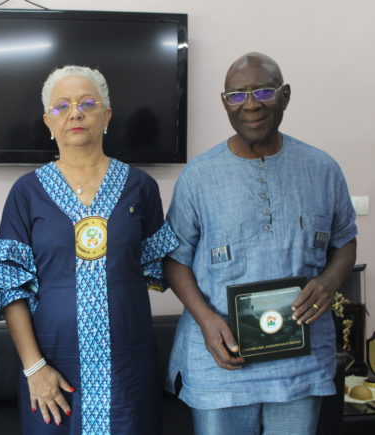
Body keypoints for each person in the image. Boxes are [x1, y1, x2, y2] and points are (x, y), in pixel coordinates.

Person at [165, 52, 357, 434]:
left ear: (285, 95)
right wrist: (206, 320)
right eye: (237, 95)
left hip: (298, 365)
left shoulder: (322, 169)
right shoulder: (198, 177)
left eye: (263, 92)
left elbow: (345, 240)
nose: (250, 105)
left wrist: (329, 282)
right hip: (222, 359)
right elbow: (174, 259)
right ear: (224, 103)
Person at [0, 65, 178, 434]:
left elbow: (155, 271)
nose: (75, 112)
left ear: (106, 116)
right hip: (52, 368)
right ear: (47, 121)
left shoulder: (141, 187)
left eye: (88, 103)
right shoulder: (26, 193)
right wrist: (34, 368)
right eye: (62, 106)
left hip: (127, 367)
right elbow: (10, 289)